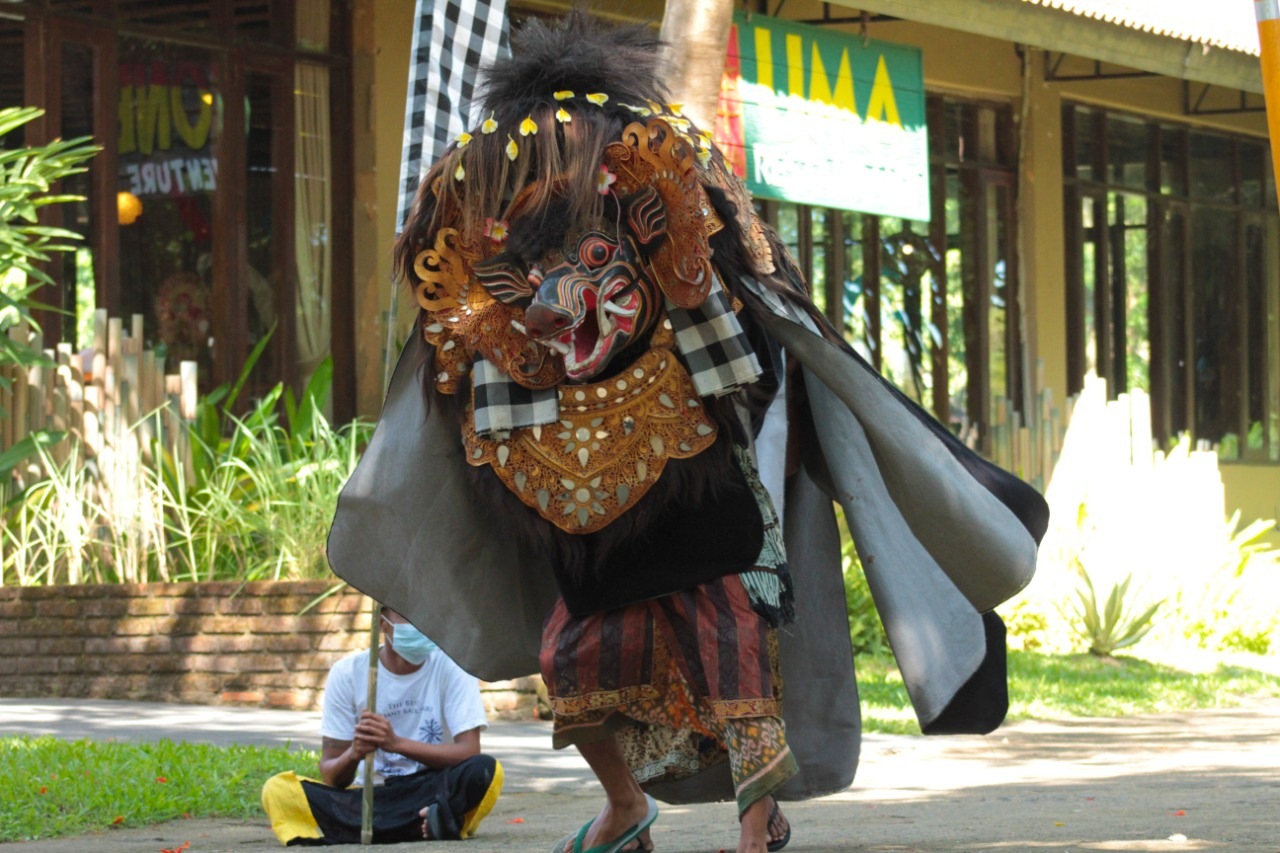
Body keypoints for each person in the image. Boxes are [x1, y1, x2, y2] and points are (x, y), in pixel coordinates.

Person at [328, 11, 1047, 853]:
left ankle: (756, 823)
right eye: (533, 279)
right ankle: (626, 804)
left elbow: (758, 351)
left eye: (590, 266)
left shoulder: (705, 309)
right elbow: (480, 346)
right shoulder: (513, 349)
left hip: (698, 500)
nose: (554, 301)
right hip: (578, 507)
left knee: (732, 661)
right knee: (570, 660)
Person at [260, 607, 503, 845]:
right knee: (278, 790)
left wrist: (396, 744)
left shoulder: (454, 666)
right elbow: (332, 777)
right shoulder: (347, 673)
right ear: (382, 623)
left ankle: (363, 830)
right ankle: (431, 824)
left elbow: (469, 752)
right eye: (408, 616)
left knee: (488, 771)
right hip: (371, 796)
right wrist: (354, 752)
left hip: (431, 788)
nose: (421, 624)